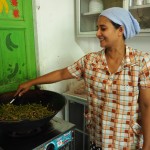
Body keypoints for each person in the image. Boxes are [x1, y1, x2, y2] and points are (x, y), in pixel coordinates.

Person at [15, 7, 150, 150]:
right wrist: (31, 82)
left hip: (127, 142)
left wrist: (147, 145)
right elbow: (61, 74)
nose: (97, 33)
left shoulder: (141, 62)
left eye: (103, 28)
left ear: (120, 30)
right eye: (97, 28)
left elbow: (146, 106)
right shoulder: (91, 61)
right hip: (98, 138)